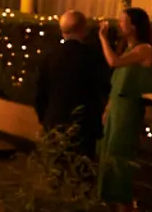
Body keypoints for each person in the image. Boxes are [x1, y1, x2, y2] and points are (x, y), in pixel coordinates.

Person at [97, 7, 152, 212]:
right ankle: (112, 206)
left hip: (129, 108)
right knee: (107, 154)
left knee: (120, 156)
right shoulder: (128, 48)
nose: (119, 25)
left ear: (134, 26)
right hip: (117, 107)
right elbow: (116, 82)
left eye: (123, 21)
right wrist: (107, 109)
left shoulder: (144, 49)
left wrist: (103, 39)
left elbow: (114, 62)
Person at [34, 9, 111, 158]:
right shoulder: (92, 57)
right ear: (83, 29)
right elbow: (101, 90)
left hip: (54, 120)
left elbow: (40, 91)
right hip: (84, 123)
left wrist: (44, 118)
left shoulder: (50, 56)